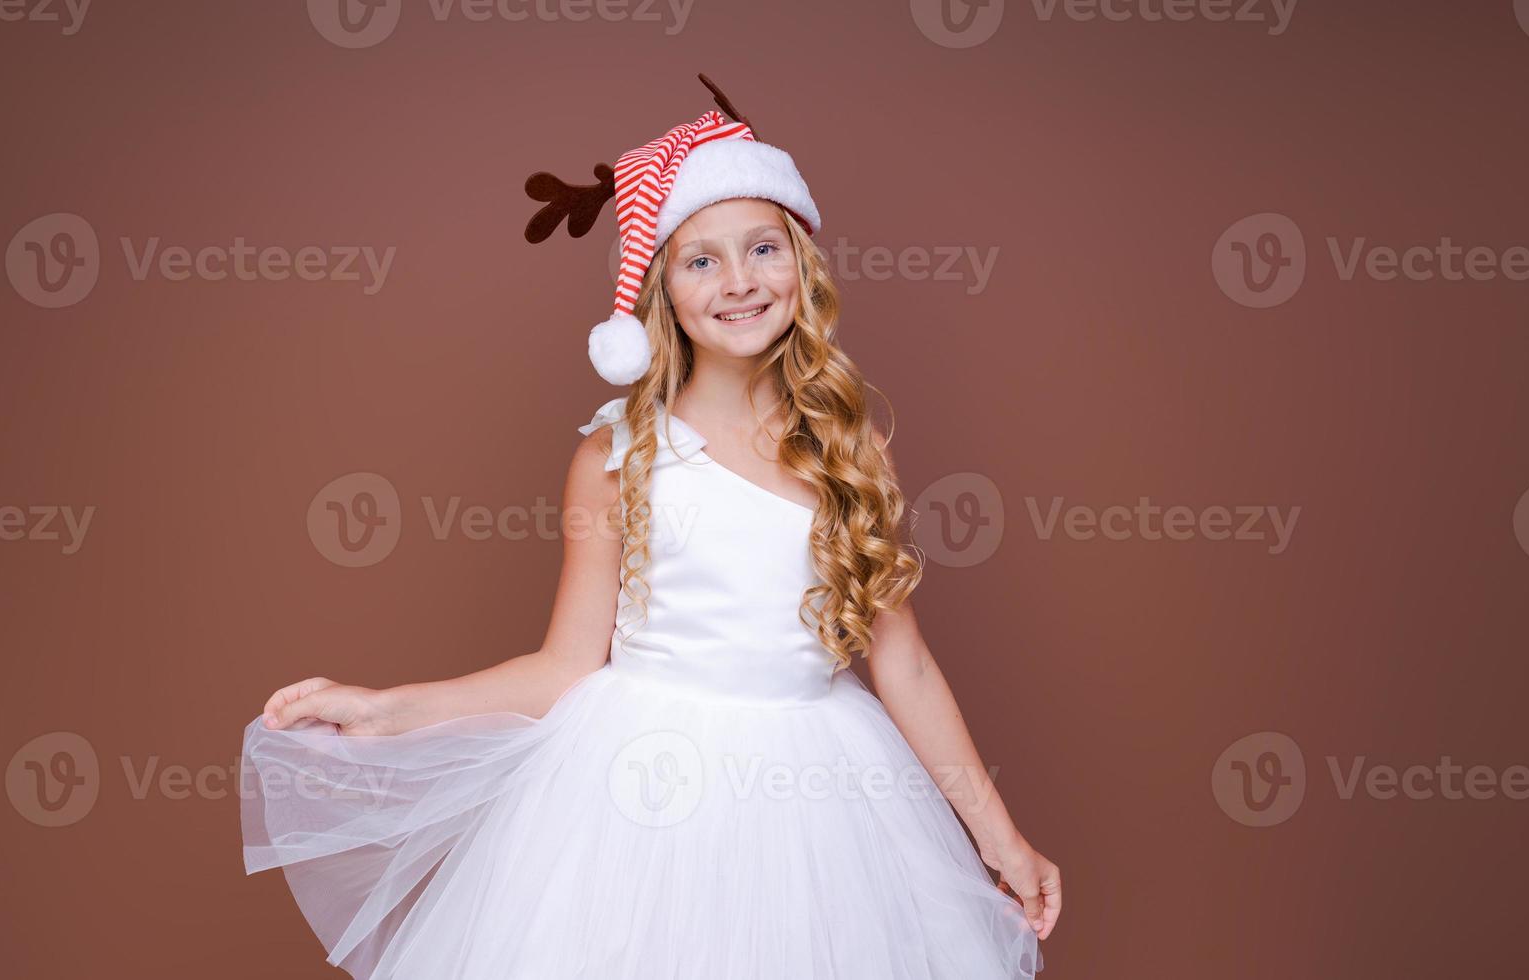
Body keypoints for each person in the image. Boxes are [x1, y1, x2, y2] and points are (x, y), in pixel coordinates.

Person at [240, 77, 1057, 980]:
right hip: (639, 794)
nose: (739, 281)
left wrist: (1001, 840)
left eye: (761, 248)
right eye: (700, 260)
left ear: (803, 265)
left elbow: (902, 662)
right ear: (662, 288)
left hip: (820, 796)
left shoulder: (846, 447)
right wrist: (387, 709)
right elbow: (560, 668)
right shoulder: (618, 459)